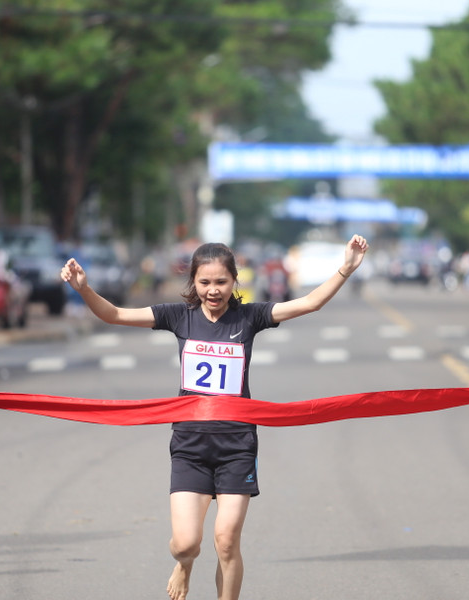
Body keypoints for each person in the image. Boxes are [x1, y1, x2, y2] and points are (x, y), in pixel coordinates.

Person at [61, 234, 368, 600]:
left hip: (237, 446)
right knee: (186, 544)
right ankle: (184, 564)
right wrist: (84, 289)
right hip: (190, 446)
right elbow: (114, 314)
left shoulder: (249, 316)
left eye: (221, 281)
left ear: (235, 280)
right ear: (193, 282)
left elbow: (310, 302)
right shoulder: (179, 316)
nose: (213, 290)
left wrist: (346, 269)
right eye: (204, 282)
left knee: (226, 541)